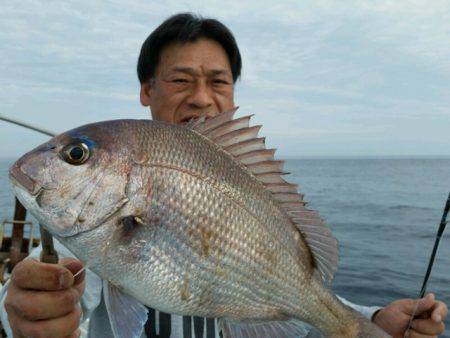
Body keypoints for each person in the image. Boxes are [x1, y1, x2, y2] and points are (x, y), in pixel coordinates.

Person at [1, 13, 447, 338]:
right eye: (180, 80)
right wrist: (25, 312)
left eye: (218, 82)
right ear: (146, 89)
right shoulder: (79, 231)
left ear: (233, 91)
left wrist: (370, 321)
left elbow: (302, 292)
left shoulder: (254, 187)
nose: (201, 98)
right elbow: (59, 287)